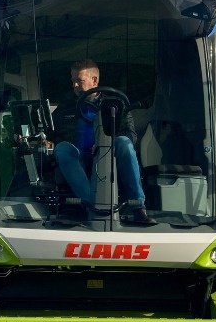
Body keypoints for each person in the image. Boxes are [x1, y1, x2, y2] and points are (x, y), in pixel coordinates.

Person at [51, 59, 154, 225]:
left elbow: (131, 135)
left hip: (109, 156)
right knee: (62, 149)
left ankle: (138, 207)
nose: (75, 85)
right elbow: (55, 135)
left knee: (125, 143)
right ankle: (92, 205)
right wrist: (47, 141)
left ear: (94, 80)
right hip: (78, 158)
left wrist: (105, 143)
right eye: (73, 81)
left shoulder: (117, 103)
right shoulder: (66, 107)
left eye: (79, 81)